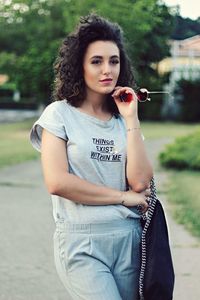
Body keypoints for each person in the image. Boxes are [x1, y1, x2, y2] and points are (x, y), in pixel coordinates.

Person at [29, 13, 153, 300]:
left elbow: (139, 183)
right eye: (96, 61)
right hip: (81, 241)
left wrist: (132, 118)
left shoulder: (124, 120)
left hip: (129, 241)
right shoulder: (58, 115)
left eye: (114, 61)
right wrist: (121, 197)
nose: (107, 69)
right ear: (79, 66)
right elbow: (58, 182)